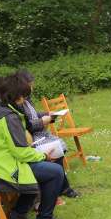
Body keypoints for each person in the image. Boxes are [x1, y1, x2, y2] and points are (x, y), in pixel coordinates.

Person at [0, 73, 68, 219]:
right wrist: (42, 155)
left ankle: (16, 215)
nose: (24, 100)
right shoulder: (9, 117)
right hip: (6, 170)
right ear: (16, 96)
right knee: (55, 171)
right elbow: (20, 152)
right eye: (23, 97)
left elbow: (13, 148)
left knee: (42, 170)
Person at [14, 69, 80, 198]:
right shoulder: (17, 103)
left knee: (59, 148)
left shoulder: (26, 99)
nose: (32, 87)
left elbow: (32, 115)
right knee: (56, 148)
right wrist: (43, 121)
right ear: (24, 85)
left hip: (39, 134)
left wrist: (47, 114)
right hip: (31, 138)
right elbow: (26, 126)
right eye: (31, 84)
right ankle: (62, 187)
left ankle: (62, 186)